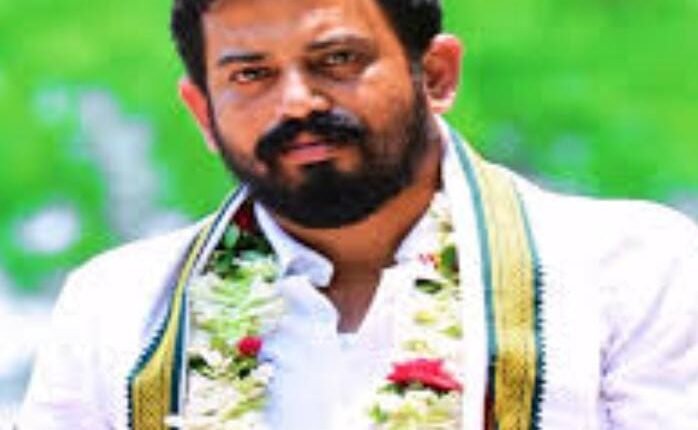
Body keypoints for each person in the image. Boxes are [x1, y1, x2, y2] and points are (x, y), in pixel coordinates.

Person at [17, 0, 698, 429]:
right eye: (250, 74)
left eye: (337, 59)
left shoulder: (630, 268)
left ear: (436, 74)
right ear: (203, 112)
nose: (296, 102)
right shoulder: (115, 308)